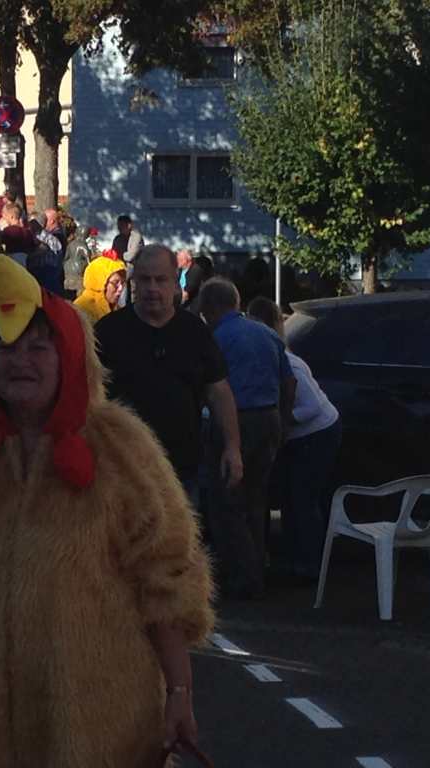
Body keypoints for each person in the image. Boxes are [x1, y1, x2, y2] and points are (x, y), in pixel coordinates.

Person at [0, 254, 214, 766]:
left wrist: (180, 694)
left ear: (70, 359)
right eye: (7, 347)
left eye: (39, 348)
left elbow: (168, 578)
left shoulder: (122, 449)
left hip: (100, 724)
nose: (21, 361)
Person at [95, 245, 243, 510]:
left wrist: (232, 447)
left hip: (181, 472)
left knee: (178, 548)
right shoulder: (108, 332)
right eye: (145, 279)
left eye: (161, 279)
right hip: (122, 471)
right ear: (134, 282)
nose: (153, 288)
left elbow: (218, 392)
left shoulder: (195, 332)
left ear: (176, 283)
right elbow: (88, 397)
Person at [199, 278, 296, 599]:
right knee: (256, 499)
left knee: (225, 502)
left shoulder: (216, 338)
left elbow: (210, 386)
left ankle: (242, 576)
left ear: (210, 309)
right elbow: (289, 380)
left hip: (236, 421)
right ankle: (258, 568)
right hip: (269, 417)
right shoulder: (267, 333)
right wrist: (282, 419)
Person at [247, 297, 342, 582]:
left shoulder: (288, 362)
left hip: (318, 433)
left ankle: (310, 565)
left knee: (303, 498)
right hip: (301, 435)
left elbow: (312, 407)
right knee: (291, 496)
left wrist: (284, 423)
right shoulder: (276, 355)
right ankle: (294, 558)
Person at [74, 254, 126, 324]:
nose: (120, 288)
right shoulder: (81, 310)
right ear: (101, 283)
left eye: (122, 283)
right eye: (115, 283)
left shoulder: (115, 308)